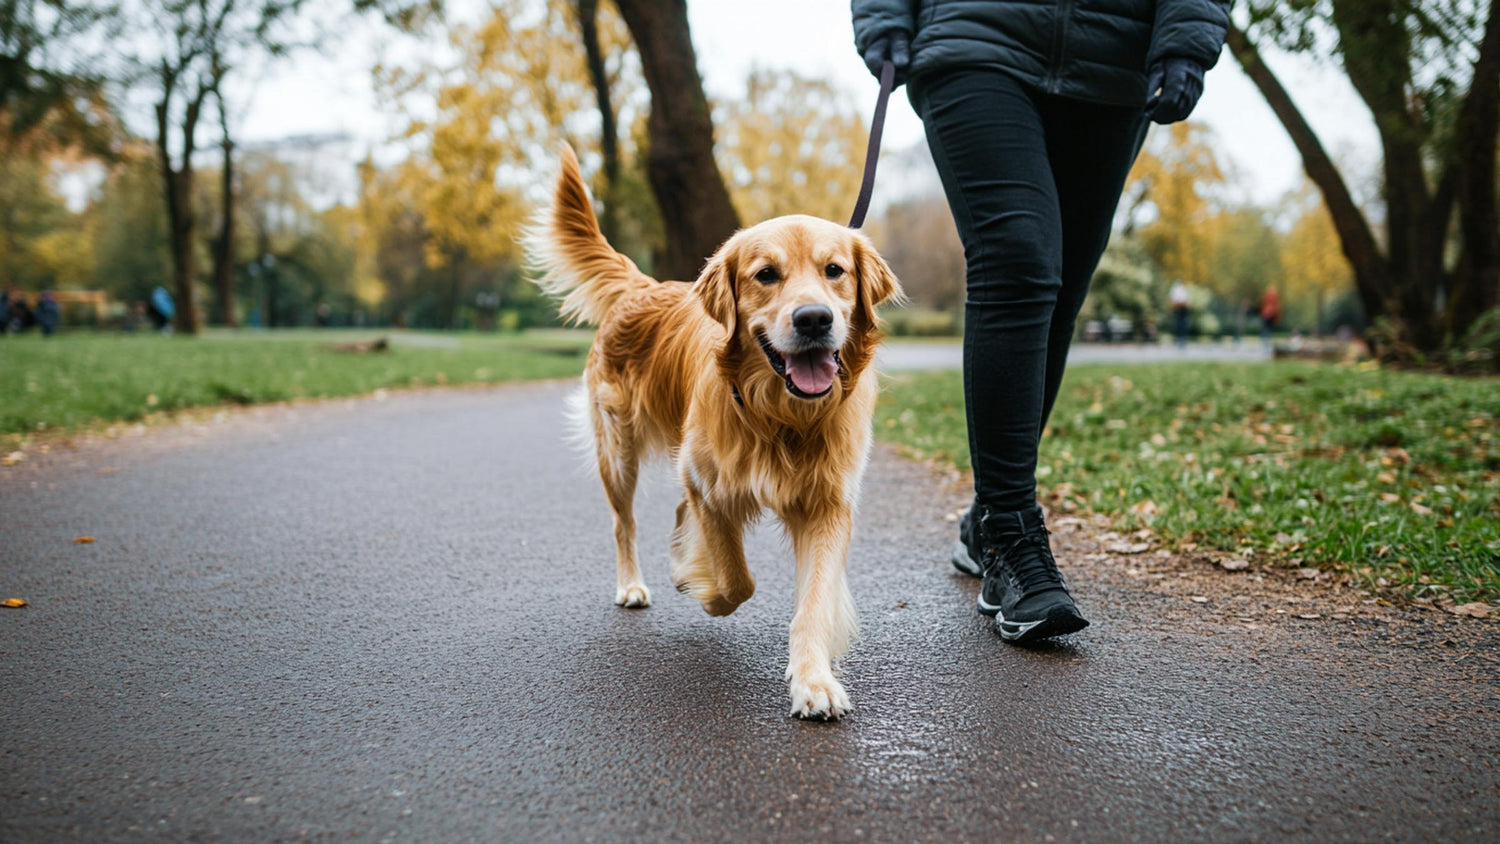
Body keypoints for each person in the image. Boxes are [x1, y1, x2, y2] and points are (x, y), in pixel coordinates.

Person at [853, 0, 1229, 642]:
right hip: (976, 36)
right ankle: (1011, 535)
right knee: (1019, 258)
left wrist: (1189, 36)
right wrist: (885, 14)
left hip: (1113, 55)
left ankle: (988, 514)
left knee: (1060, 287)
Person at [1169, 280, 1191, 349]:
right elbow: (1174, 301)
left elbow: (1187, 302)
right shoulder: (1176, 289)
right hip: (1179, 309)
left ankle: (1182, 341)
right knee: (1179, 325)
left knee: (1183, 325)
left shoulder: (1184, 290)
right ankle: (1179, 341)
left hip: (1183, 310)